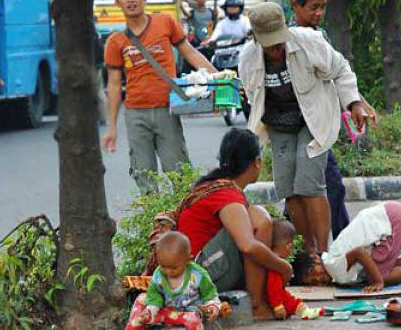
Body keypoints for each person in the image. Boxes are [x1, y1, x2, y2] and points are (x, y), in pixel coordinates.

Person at [239, 2, 365, 256]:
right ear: (257, 39)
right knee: (288, 188)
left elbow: (341, 69)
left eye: (279, 41)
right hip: (278, 124)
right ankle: (308, 250)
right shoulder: (247, 58)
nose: (276, 48)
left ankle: (323, 253)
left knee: (309, 185)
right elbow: (252, 97)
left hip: (313, 119)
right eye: (269, 44)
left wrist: (354, 103)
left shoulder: (309, 42)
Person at [102, 0, 217, 193]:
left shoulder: (165, 22)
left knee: (180, 176)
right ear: (118, 2)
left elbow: (191, 53)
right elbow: (114, 86)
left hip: (167, 110)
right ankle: (154, 214)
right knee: (145, 179)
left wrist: (220, 77)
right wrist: (112, 128)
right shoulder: (115, 41)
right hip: (136, 115)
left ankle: (185, 214)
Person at [289, 0, 379, 240]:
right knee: (321, 188)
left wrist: (356, 101)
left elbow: (337, 71)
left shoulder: (320, 36)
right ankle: (339, 245)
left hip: (317, 126)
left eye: (322, 7)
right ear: (295, 6)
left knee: (313, 190)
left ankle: (317, 246)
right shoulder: (288, 40)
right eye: (313, 8)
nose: (319, 13)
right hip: (300, 126)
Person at [175, 128, 293, 320]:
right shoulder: (226, 193)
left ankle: (260, 299)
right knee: (260, 219)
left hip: (193, 272)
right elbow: (248, 246)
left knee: (254, 218)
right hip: (196, 277)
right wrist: (283, 267)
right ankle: (256, 305)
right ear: (257, 162)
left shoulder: (219, 185)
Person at [125, 232, 221, 330]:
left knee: (193, 320)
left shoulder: (198, 275)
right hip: (165, 312)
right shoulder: (159, 274)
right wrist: (151, 309)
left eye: (173, 268)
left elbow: (210, 294)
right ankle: (136, 326)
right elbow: (154, 293)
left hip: (188, 313)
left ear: (188, 260)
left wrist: (212, 306)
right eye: (163, 266)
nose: (168, 271)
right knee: (141, 298)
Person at [267, 220, 324, 320]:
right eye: (291, 246)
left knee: (292, 300)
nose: (291, 250)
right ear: (287, 246)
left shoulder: (275, 261)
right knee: (290, 301)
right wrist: (278, 306)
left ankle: (303, 310)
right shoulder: (276, 265)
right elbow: (273, 288)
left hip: (280, 294)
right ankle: (304, 312)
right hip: (277, 297)